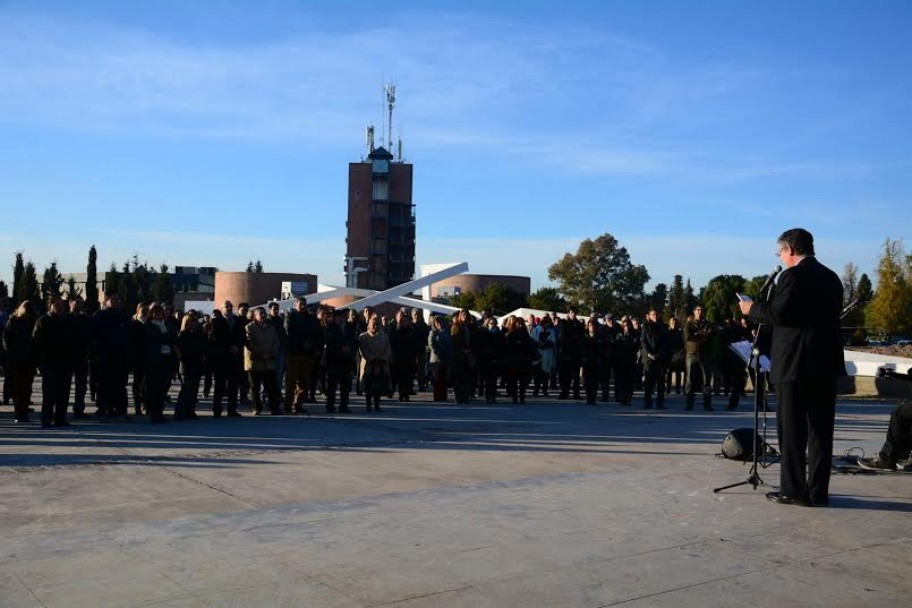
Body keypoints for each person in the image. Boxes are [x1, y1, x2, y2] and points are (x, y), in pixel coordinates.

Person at [739, 228, 845, 507]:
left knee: (792, 432)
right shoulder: (832, 278)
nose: (781, 259)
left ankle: (794, 490)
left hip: (794, 365)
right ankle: (818, 491)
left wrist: (752, 310)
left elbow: (778, 313)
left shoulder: (793, 276)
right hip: (825, 364)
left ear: (790, 250)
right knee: (821, 432)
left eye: (781, 253)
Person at [91, 293, 131, 419]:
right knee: (103, 384)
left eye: (118, 299)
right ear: (107, 301)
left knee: (120, 384)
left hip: (120, 356)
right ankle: (103, 408)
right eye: (113, 299)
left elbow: (129, 336)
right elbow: (93, 336)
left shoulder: (124, 315)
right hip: (104, 356)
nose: (116, 302)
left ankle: (120, 408)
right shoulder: (99, 315)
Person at [2, 301, 38, 423]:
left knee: (26, 387)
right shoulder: (14, 321)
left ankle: (23, 411)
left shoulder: (33, 321)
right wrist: (11, 352)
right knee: (17, 387)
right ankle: (19, 412)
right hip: (16, 359)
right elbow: (6, 337)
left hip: (29, 359)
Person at [285, 297, 322, 413]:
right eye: (300, 304)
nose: (303, 306)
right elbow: (288, 334)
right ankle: (288, 405)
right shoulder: (290, 318)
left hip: (307, 355)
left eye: (304, 304)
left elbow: (317, 334)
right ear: (296, 305)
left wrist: (313, 346)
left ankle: (298, 404)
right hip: (294, 354)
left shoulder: (312, 319)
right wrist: (301, 343)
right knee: (291, 381)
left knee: (304, 381)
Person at [244, 307, 282, 416]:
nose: (263, 316)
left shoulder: (271, 327)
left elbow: (276, 342)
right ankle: (257, 408)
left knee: (271, 387)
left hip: (269, 362)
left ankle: (274, 408)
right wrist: (262, 354)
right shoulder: (249, 328)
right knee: (254, 387)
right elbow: (249, 344)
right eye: (261, 314)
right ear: (255, 315)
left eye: (264, 313)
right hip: (255, 362)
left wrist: (271, 353)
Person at [144, 304, 176, 423]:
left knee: (163, 388)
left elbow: (172, 338)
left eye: (160, 312)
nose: (159, 315)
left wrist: (166, 337)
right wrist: (165, 337)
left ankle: (160, 411)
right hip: (155, 360)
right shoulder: (149, 326)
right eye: (156, 313)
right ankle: (154, 413)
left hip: (167, 358)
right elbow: (158, 339)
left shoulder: (167, 324)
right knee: (154, 388)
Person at [323, 308, 358, 413]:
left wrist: (350, 348)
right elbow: (328, 343)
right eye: (339, 317)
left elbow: (355, 341)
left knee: (346, 385)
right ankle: (330, 406)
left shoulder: (350, 327)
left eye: (343, 317)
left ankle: (344, 406)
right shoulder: (330, 328)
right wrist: (340, 348)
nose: (341, 319)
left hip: (347, 360)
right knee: (332, 385)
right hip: (334, 360)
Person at [175, 313, 207, 421]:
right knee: (185, 390)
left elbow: (203, 347)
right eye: (190, 322)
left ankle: (190, 411)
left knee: (194, 391)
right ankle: (180, 412)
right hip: (186, 366)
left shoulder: (198, 334)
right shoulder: (182, 335)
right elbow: (179, 350)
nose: (192, 324)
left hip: (196, 365)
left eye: (194, 322)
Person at [684, 305, 714, 411]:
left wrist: (697, 335)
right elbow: (687, 337)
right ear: (694, 311)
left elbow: (710, 335)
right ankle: (689, 403)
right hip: (692, 354)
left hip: (705, 354)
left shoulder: (708, 324)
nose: (699, 312)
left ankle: (707, 404)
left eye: (701, 310)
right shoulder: (689, 324)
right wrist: (702, 336)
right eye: (697, 310)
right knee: (690, 380)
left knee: (706, 380)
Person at [359, 316, 392, 412]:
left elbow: (388, 349)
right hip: (368, 365)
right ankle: (368, 404)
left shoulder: (384, 337)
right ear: (369, 325)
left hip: (381, 365)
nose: (375, 326)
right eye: (373, 324)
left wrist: (383, 358)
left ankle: (377, 403)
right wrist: (372, 357)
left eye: (377, 324)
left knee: (379, 385)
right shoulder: (363, 336)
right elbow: (363, 350)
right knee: (369, 386)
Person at [69, 299, 93, 419]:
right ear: (70, 303)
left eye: (81, 303)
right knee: (64, 386)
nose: (79, 305)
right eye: (76, 302)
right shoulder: (65, 319)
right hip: (67, 356)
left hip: (82, 356)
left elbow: (90, 337)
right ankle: (60, 409)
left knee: (81, 385)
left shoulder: (86, 320)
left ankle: (79, 409)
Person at [640, 309, 668, 410]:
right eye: (653, 315)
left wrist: (658, 354)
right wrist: (649, 354)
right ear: (649, 316)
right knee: (648, 382)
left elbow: (665, 342)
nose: (655, 316)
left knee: (661, 383)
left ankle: (660, 402)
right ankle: (647, 402)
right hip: (649, 359)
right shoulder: (645, 326)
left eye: (656, 314)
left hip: (660, 358)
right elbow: (643, 341)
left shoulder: (663, 327)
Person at [557, 307, 583, 400]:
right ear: (568, 313)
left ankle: (576, 394)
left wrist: (574, 337)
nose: (573, 314)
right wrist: (573, 338)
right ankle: (564, 392)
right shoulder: (564, 323)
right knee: (565, 375)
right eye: (572, 312)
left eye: (575, 312)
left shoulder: (579, 324)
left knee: (576, 375)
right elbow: (562, 337)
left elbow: (581, 337)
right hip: (566, 352)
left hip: (576, 353)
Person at [530, 315, 557, 397]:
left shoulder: (552, 332)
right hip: (538, 353)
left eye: (548, 323)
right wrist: (538, 344)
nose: (547, 324)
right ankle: (536, 390)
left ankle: (545, 390)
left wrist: (545, 344)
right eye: (546, 322)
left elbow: (552, 342)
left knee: (545, 374)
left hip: (547, 354)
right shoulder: (537, 329)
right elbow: (532, 339)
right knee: (537, 374)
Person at [580, 317, 604, 405]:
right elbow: (581, 349)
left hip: (596, 361)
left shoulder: (600, 336)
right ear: (587, 326)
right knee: (587, 381)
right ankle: (588, 397)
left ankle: (593, 397)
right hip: (586, 361)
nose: (592, 327)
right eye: (590, 325)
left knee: (595, 381)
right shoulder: (584, 336)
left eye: (593, 325)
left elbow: (602, 349)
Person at [428, 315, 452, 402]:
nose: (439, 324)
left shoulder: (447, 332)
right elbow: (431, 344)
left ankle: (443, 396)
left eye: (440, 322)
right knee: (436, 379)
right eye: (437, 323)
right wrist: (438, 352)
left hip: (445, 358)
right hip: (436, 359)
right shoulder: (433, 332)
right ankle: (437, 397)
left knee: (444, 378)